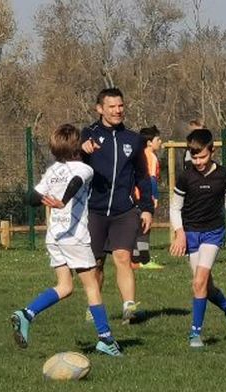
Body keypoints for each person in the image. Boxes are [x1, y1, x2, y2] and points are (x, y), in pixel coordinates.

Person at [10, 124, 122, 356]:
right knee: (92, 285)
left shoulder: (53, 170)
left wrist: (44, 199)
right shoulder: (84, 168)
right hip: (75, 237)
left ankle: (27, 314)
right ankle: (105, 339)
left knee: (65, 286)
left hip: (54, 237)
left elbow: (30, 196)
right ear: (77, 146)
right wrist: (63, 200)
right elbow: (76, 183)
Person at [81, 87, 154, 324]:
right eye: (111, 107)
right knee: (97, 263)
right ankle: (95, 308)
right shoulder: (88, 134)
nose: (117, 111)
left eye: (120, 106)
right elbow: (74, 164)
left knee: (123, 257)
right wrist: (83, 151)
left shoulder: (134, 139)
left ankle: (129, 308)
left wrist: (146, 208)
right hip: (94, 212)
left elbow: (143, 177)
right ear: (100, 109)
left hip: (124, 211)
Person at [169, 128, 226, 348]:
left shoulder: (223, 174)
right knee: (205, 286)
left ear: (212, 151)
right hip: (191, 233)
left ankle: (195, 334)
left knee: (199, 282)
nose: (199, 161)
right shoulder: (185, 177)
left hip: (213, 232)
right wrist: (179, 234)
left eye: (202, 156)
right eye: (194, 157)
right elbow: (175, 209)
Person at [131, 125, 164, 270]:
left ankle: (135, 259)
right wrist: (154, 196)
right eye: (158, 139)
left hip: (134, 197)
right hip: (143, 197)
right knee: (145, 226)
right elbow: (150, 178)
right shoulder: (150, 156)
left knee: (137, 227)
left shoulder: (139, 154)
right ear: (150, 142)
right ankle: (144, 260)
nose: (160, 142)